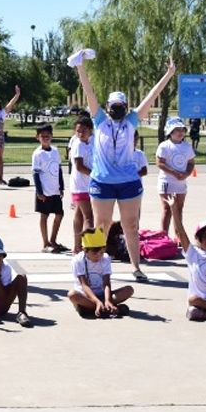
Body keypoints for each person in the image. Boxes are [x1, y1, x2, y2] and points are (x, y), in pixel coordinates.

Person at [72, 50, 175, 282]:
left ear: (126, 106)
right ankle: (94, 266)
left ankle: (136, 267)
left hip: (129, 182)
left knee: (131, 224)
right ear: (108, 106)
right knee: (102, 225)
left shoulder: (131, 121)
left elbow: (152, 95)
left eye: (121, 105)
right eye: (114, 105)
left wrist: (169, 74)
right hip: (102, 182)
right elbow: (88, 91)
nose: (117, 108)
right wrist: (80, 67)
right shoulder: (99, 120)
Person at [68, 228, 134, 318]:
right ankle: (105, 308)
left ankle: (96, 308)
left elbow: (106, 282)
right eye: (95, 253)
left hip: (102, 294)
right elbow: (84, 285)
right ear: (85, 250)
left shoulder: (105, 258)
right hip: (86, 296)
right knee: (72, 295)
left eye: (101, 252)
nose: (99, 256)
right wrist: (96, 301)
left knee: (129, 290)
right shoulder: (78, 260)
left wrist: (108, 300)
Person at [156, 117, 195, 239]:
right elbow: (159, 163)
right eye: (176, 130)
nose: (180, 133)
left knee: (178, 209)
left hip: (181, 182)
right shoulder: (164, 146)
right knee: (167, 209)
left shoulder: (187, 147)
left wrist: (186, 173)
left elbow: (191, 163)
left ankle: (178, 236)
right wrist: (174, 173)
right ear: (170, 132)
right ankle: (163, 237)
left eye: (182, 130)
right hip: (167, 181)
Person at [32, 124, 67, 253]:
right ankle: (45, 242)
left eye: (48, 136)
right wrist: (39, 191)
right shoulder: (37, 154)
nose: (45, 138)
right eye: (43, 136)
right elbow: (35, 173)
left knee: (59, 214)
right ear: (38, 137)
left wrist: (61, 187)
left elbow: (59, 169)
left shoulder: (55, 151)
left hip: (55, 189)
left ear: (52, 137)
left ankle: (53, 240)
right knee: (44, 216)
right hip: (44, 191)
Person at [68, 117, 94, 253]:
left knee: (79, 214)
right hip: (81, 185)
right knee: (89, 217)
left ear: (90, 130)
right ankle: (88, 247)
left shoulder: (92, 141)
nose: (80, 134)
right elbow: (79, 166)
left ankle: (77, 246)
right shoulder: (78, 144)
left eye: (84, 131)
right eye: (78, 131)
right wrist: (95, 174)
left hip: (88, 184)